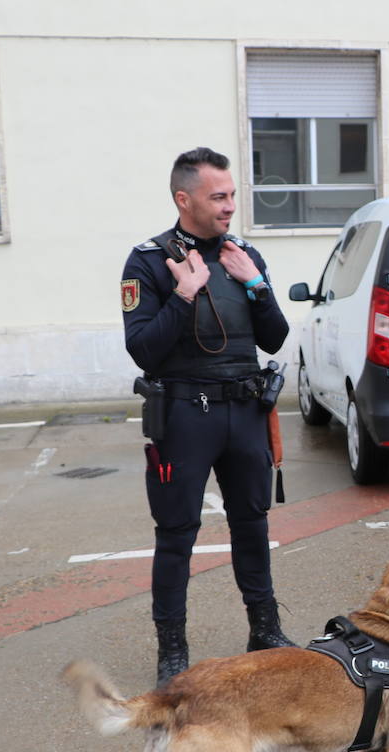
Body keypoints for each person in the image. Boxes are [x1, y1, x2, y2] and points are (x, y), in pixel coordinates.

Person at [120, 146, 295, 686]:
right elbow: (143, 349)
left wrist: (256, 285)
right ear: (184, 198)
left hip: (244, 412)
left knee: (252, 525)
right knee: (176, 534)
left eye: (232, 195)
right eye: (218, 196)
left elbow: (275, 337)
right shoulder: (148, 262)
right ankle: (172, 650)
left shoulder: (244, 254)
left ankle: (264, 630)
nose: (229, 206)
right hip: (183, 418)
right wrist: (183, 295)